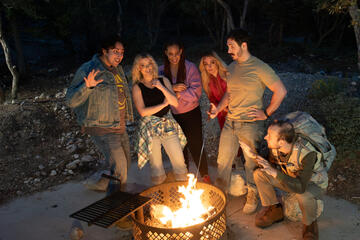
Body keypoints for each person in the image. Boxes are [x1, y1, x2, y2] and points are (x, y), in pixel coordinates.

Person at [209, 28, 287, 214]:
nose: (228, 51)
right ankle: (220, 194)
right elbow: (230, 93)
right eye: (227, 46)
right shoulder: (232, 68)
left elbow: (281, 91)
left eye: (231, 46)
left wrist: (266, 112)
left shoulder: (259, 67)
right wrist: (217, 109)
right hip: (230, 122)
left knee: (251, 163)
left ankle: (252, 195)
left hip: (251, 124)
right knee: (223, 161)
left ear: (243, 45)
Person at [66, 35, 134, 194]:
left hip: (119, 124)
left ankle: (104, 184)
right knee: (120, 168)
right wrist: (87, 87)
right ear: (104, 51)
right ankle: (116, 206)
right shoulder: (89, 68)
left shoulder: (118, 69)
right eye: (115, 51)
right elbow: (70, 100)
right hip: (102, 127)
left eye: (122, 52)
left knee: (126, 163)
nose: (119, 56)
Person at [253, 120, 327, 240]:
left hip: (312, 184)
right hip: (291, 179)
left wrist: (275, 173)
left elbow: (301, 187)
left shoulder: (307, 153)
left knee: (303, 196)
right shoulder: (276, 147)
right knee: (259, 174)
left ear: (281, 142)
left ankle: (310, 224)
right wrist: (258, 159)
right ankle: (275, 210)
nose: (266, 137)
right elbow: (273, 167)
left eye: (269, 135)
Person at [132, 53, 188, 185]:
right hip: (150, 128)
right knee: (156, 167)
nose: (148, 68)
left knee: (179, 162)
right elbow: (143, 112)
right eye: (143, 66)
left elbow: (174, 102)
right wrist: (163, 104)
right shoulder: (137, 87)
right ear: (138, 68)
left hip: (167, 124)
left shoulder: (163, 80)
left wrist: (161, 87)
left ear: (153, 64)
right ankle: (160, 197)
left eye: (149, 64)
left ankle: (184, 193)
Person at [159, 40, 210, 183]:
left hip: (191, 113)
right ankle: (184, 177)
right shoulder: (161, 70)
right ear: (166, 53)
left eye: (176, 54)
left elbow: (197, 92)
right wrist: (173, 88)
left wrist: (180, 95)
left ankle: (205, 175)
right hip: (173, 114)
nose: (174, 57)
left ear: (181, 52)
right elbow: (158, 92)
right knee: (180, 146)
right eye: (170, 54)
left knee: (196, 144)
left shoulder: (190, 67)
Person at [199, 51, 228, 129]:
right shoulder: (207, 82)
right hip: (221, 113)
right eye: (206, 64)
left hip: (236, 111)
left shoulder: (227, 75)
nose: (209, 66)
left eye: (212, 62)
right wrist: (216, 109)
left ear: (217, 62)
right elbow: (212, 100)